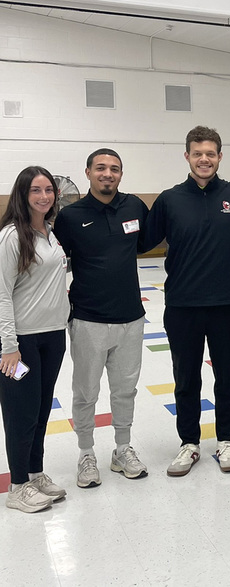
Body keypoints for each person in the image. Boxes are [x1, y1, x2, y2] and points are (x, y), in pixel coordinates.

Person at [144, 126, 230, 476]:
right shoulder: (169, 199)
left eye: (210, 153)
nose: (204, 159)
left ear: (220, 156)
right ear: (187, 156)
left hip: (227, 304)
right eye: (197, 153)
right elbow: (142, 240)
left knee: (227, 377)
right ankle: (189, 443)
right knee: (186, 378)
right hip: (182, 305)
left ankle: (225, 441)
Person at [53, 148, 150, 488]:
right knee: (86, 392)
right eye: (101, 168)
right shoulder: (70, 216)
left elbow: (145, 244)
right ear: (88, 172)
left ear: (121, 174)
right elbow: (52, 264)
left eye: (115, 169)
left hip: (131, 318)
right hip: (88, 319)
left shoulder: (135, 206)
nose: (108, 173)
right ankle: (86, 454)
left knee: (125, 391)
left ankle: (122, 449)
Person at [0, 166, 70, 513]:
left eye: (49, 190)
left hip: (52, 337)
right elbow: (1, 294)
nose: (44, 196)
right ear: (22, 195)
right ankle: (17, 486)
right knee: (20, 412)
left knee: (41, 409)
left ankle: (35, 472)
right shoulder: (13, 236)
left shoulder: (49, 232)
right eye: (36, 191)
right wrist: (8, 346)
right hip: (21, 345)